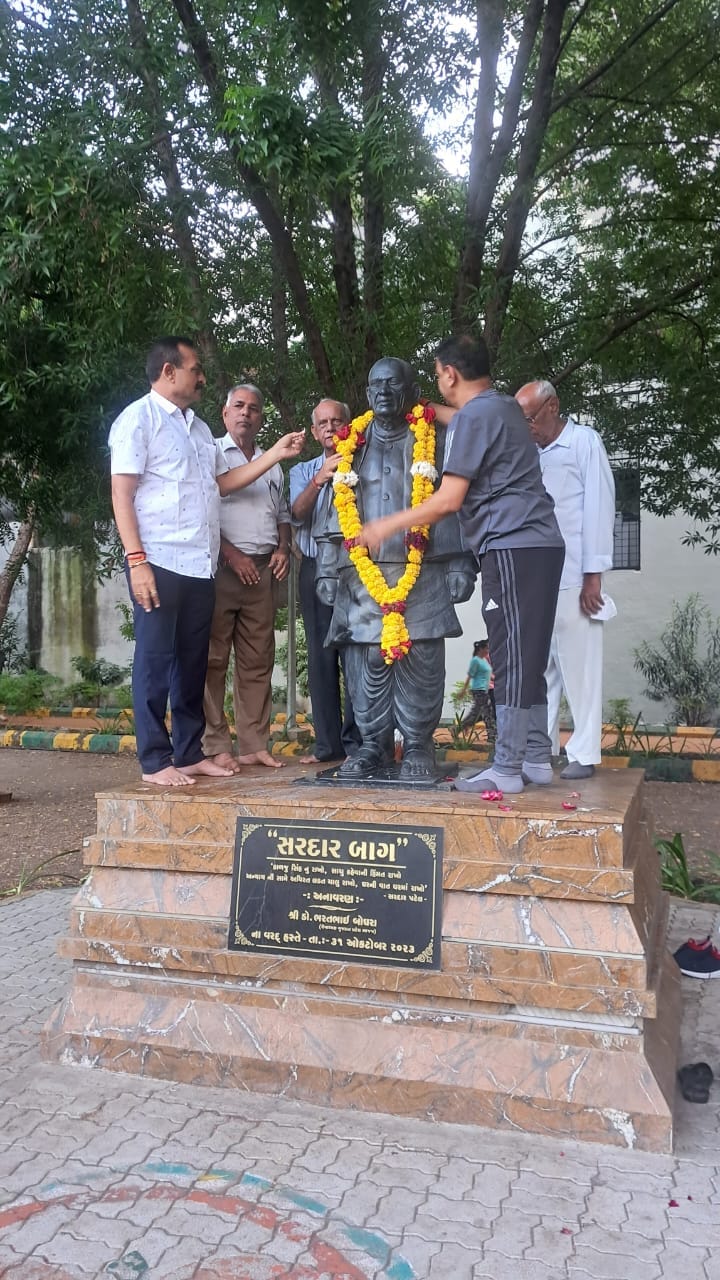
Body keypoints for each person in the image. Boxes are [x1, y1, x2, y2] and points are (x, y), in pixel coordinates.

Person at [357, 334, 565, 794]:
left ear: (450, 373)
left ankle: (507, 768)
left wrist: (386, 524)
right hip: (541, 545)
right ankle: (535, 759)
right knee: (529, 652)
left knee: (509, 655)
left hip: (511, 544)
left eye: (437, 375)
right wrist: (429, 410)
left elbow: (448, 500)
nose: (438, 382)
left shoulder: (475, 417)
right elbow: (467, 418)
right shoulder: (504, 407)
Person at [109, 339, 304, 787]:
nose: (201, 377)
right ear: (169, 371)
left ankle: (189, 753)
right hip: (158, 560)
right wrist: (136, 560)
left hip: (199, 565)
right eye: (195, 369)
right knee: (155, 661)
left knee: (193, 664)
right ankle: (155, 761)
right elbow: (121, 494)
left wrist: (275, 454)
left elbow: (222, 484)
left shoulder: (197, 429)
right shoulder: (138, 419)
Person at [314, 357, 477, 781]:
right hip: (361, 576)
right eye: (376, 385)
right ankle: (373, 745)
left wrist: (461, 562)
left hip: (423, 572)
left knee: (420, 659)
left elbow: (457, 504)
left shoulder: (436, 441)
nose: (384, 392)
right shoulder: (351, 445)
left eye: (393, 384)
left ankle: (419, 744)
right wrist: (327, 569)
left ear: (413, 392)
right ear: (368, 393)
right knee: (365, 661)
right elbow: (333, 511)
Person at [515, 380, 615, 780]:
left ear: (552, 406)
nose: (527, 428)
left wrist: (594, 576)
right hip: (536, 577)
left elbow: (599, 508)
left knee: (580, 669)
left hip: (575, 576)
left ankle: (584, 753)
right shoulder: (528, 453)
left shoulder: (583, 442)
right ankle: (539, 752)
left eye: (530, 419)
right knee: (540, 671)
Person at [203, 383, 293, 772]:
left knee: (258, 660)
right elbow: (202, 511)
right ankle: (215, 745)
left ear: (260, 418)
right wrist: (231, 553)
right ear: (225, 414)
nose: (246, 413)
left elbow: (282, 514)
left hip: (263, 571)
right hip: (221, 568)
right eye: (238, 406)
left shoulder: (273, 463)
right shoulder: (210, 453)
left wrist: (283, 548)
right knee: (212, 660)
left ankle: (254, 744)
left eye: (253, 408)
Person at [289, 398, 362, 764]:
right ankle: (328, 746)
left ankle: (360, 745)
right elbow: (296, 514)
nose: (330, 427)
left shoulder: (366, 463)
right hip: (315, 567)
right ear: (315, 432)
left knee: (359, 654)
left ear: (349, 424)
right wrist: (320, 479)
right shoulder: (302, 471)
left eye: (337, 420)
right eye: (323, 423)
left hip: (359, 570)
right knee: (321, 657)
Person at [459, 639, 496, 746]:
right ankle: (492, 736)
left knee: (480, 713)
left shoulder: (485, 658)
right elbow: (471, 675)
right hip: (482, 689)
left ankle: (458, 728)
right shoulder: (479, 659)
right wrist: (463, 690)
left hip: (488, 688)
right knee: (487, 713)